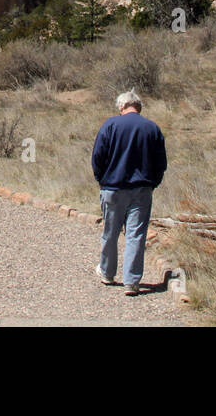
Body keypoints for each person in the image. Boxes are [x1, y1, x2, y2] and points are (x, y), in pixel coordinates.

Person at [91, 89, 166, 295]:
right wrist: (153, 183)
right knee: (136, 235)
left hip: (113, 188)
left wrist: (101, 179)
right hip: (141, 190)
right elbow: (161, 162)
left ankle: (107, 273)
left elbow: (98, 156)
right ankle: (131, 281)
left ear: (122, 106)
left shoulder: (111, 125)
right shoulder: (152, 128)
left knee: (110, 232)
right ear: (138, 107)